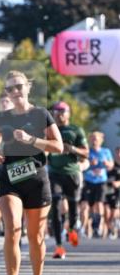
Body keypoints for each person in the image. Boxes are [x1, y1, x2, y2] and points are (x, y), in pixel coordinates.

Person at [0, 71, 63, 275]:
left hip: (37, 179)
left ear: (27, 87)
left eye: (19, 87)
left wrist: (32, 140)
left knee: (36, 236)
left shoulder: (41, 114)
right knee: (12, 228)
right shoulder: (1, 117)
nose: (15, 92)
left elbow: (58, 146)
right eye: (10, 89)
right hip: (10, 178)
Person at [47, 101, 88, 258]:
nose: (60, 114)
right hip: (54, 173)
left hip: (72, 173)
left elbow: (86, 153)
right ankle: (58, 246)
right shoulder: (49, 130)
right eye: (57, 111)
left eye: (63, 111)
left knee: (73, 208)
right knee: (56, 208)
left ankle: (71, 229)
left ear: (68, 113)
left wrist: (72, 149)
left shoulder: (76, 130)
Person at [81, 131, 114, 238]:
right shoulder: (87, 152)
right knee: (87, 206)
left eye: (96, 138)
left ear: (101, 140)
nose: (94, 140)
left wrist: (107, 164)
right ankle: (86, 227)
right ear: (90, 140)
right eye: (93, 138)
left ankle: (96, 226)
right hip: (89, 181)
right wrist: (90, 164)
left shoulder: (106, 151)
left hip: (101, 182)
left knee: (99, 204)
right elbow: (82, 165)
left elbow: (111, 165)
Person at [104, 145, 120, 239]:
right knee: (106, 213)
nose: (119, 154)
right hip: (108, 191)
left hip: (118, 192)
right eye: (117, 152)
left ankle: (115, 227)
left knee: (114, 213)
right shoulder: (111, 164)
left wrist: (118, 183)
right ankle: (111, 230)